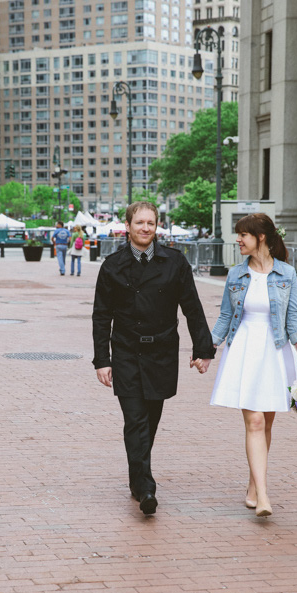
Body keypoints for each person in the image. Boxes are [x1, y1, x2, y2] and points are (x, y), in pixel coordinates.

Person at [92, 201, 216, 516]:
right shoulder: (112, 265)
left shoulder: (175, 263)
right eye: (140, 223)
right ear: (128, 226)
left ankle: (137, 477)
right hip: (126, 352)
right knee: (135, 419)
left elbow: (192, 307)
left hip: (161, 353)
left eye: (151, 223)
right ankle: (146, 488)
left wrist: (203, 349)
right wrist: (101, 359)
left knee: (151, 419)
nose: (146, 228)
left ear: (156, 226)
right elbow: (101, 316)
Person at [210, 213, 297, 518]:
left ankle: (253, 485)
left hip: (275, 350)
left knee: (266, 423)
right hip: (243, 348)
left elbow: (293, 318)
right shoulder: (235, 275)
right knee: (254, 422)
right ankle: (264, 494)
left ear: (261, 238)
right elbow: (226, 317)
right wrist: (207, 350)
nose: (238, 240)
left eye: (243, 235)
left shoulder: (286, 273)